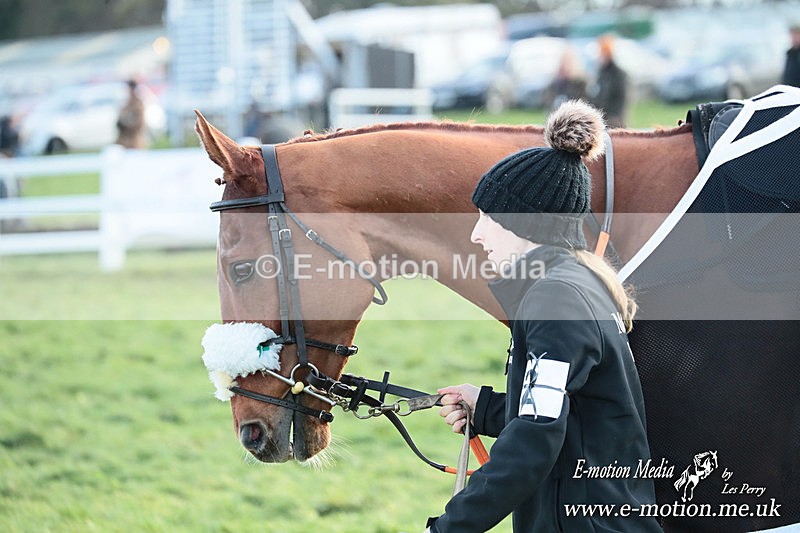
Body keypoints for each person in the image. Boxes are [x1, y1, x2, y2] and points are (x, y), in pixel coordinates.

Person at [426, 100, 660, 533]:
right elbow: (566, 410)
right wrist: (490, 408)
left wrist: (447, 527)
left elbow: (535, 440)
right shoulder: (572, 284)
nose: (477, 234)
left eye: (487, 217)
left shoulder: (555, 299)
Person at [591, 34, 628, 128]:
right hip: (601, 120)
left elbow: (621, 99)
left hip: (614, 121)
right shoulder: (601, 73)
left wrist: (614, 118)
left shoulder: (619, 74)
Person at [545, 47, 587, 111]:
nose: (566, 65)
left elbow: (583, 99)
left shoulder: (580, 81)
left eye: (568, 61)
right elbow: (548, 96)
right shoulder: (556, 81)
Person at [115, 79, 147, 149]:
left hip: (134, 141)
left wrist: (125, 120)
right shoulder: (126, 103)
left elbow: (138, 122)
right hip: (124, 141)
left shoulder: (138, 104)